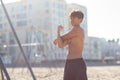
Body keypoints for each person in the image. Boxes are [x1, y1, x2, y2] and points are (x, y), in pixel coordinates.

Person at [53, 11, 88, 80]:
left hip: (77, 63)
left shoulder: (79, 30)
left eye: (73, 18)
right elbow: (61, 45)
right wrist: (58, 32)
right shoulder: (72, 34)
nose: (71, 20)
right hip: (69, 63)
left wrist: (57, 39)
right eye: (71, 18)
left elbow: (64, 37)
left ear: (80, 19)